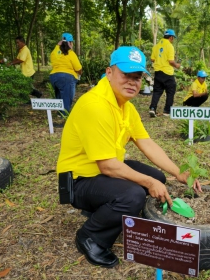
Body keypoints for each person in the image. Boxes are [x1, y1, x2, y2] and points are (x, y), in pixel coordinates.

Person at [56, 46, 202, 268]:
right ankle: (91, 236)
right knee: (133, 195)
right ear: (109, 72)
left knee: (157, 177)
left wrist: (178, 172)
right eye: (126, 75)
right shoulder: (95, 105)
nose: (132, 82)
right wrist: (147, 182)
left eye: (138, 77)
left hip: (104, 169)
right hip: (79, 180)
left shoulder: (125, 107)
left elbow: (146, 143)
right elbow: (107, 166)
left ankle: (102, 210)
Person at [149, 29, 181, 117]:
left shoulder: (156, 46)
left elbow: (152, 59)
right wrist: (177, 65)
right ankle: (167, 111)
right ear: (171, 37)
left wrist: (160, 59)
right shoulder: (169, 46)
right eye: (173, 38)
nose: (173, 40)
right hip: (167, 73)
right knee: (171, 91)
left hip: (158, 72)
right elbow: (171, 61)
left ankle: (152, 108)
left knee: (157, 91)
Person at [49, 33, 82, 115]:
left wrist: (57, 45)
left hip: (54, 77)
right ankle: (65, 116)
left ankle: (60, 113)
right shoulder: (70, 53)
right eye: (72, 42)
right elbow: (78, 68)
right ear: (70, 43)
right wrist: (80, 73)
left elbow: (54, 58)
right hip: (67, 77)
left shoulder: (54, 52)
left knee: (60, 95)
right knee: (67, 97)